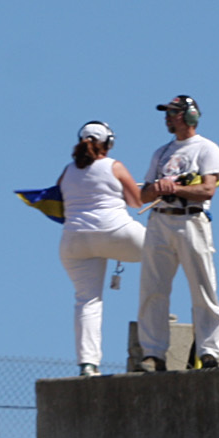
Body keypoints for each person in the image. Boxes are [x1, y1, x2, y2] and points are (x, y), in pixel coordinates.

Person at [137, 95, 219, 372]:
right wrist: (160, 189)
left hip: (191, 220)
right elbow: (144, 194)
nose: (167, 117)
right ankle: (153, 354)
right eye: (167, 112)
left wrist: (174, 189)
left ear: (190, 117)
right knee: (153, 290)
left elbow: (208, 189)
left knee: (203, 289)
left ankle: (209, 351)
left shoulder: (206, 149)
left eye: (174, 113)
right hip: (160, 220)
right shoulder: (160, 153)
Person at [55, 121, 147, 377]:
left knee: (87, 301)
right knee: (165, 250)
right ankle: (154, 344)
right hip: (115, 233)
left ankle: (88, 364)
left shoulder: (67, 171)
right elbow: (137, 201)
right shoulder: (114, 166)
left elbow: (61, 202)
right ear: (109, 143)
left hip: (74, 241)